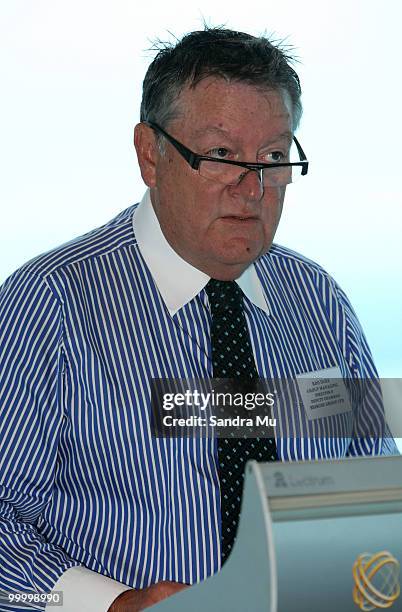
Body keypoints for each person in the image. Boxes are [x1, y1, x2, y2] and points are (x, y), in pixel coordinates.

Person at [0, 26, 397, 612]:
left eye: (272, 157)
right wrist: (114, 605)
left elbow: (372, 500)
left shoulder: (319, 303)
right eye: (220, 156)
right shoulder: (50, 303)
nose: (252, 188)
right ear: (149, 156)